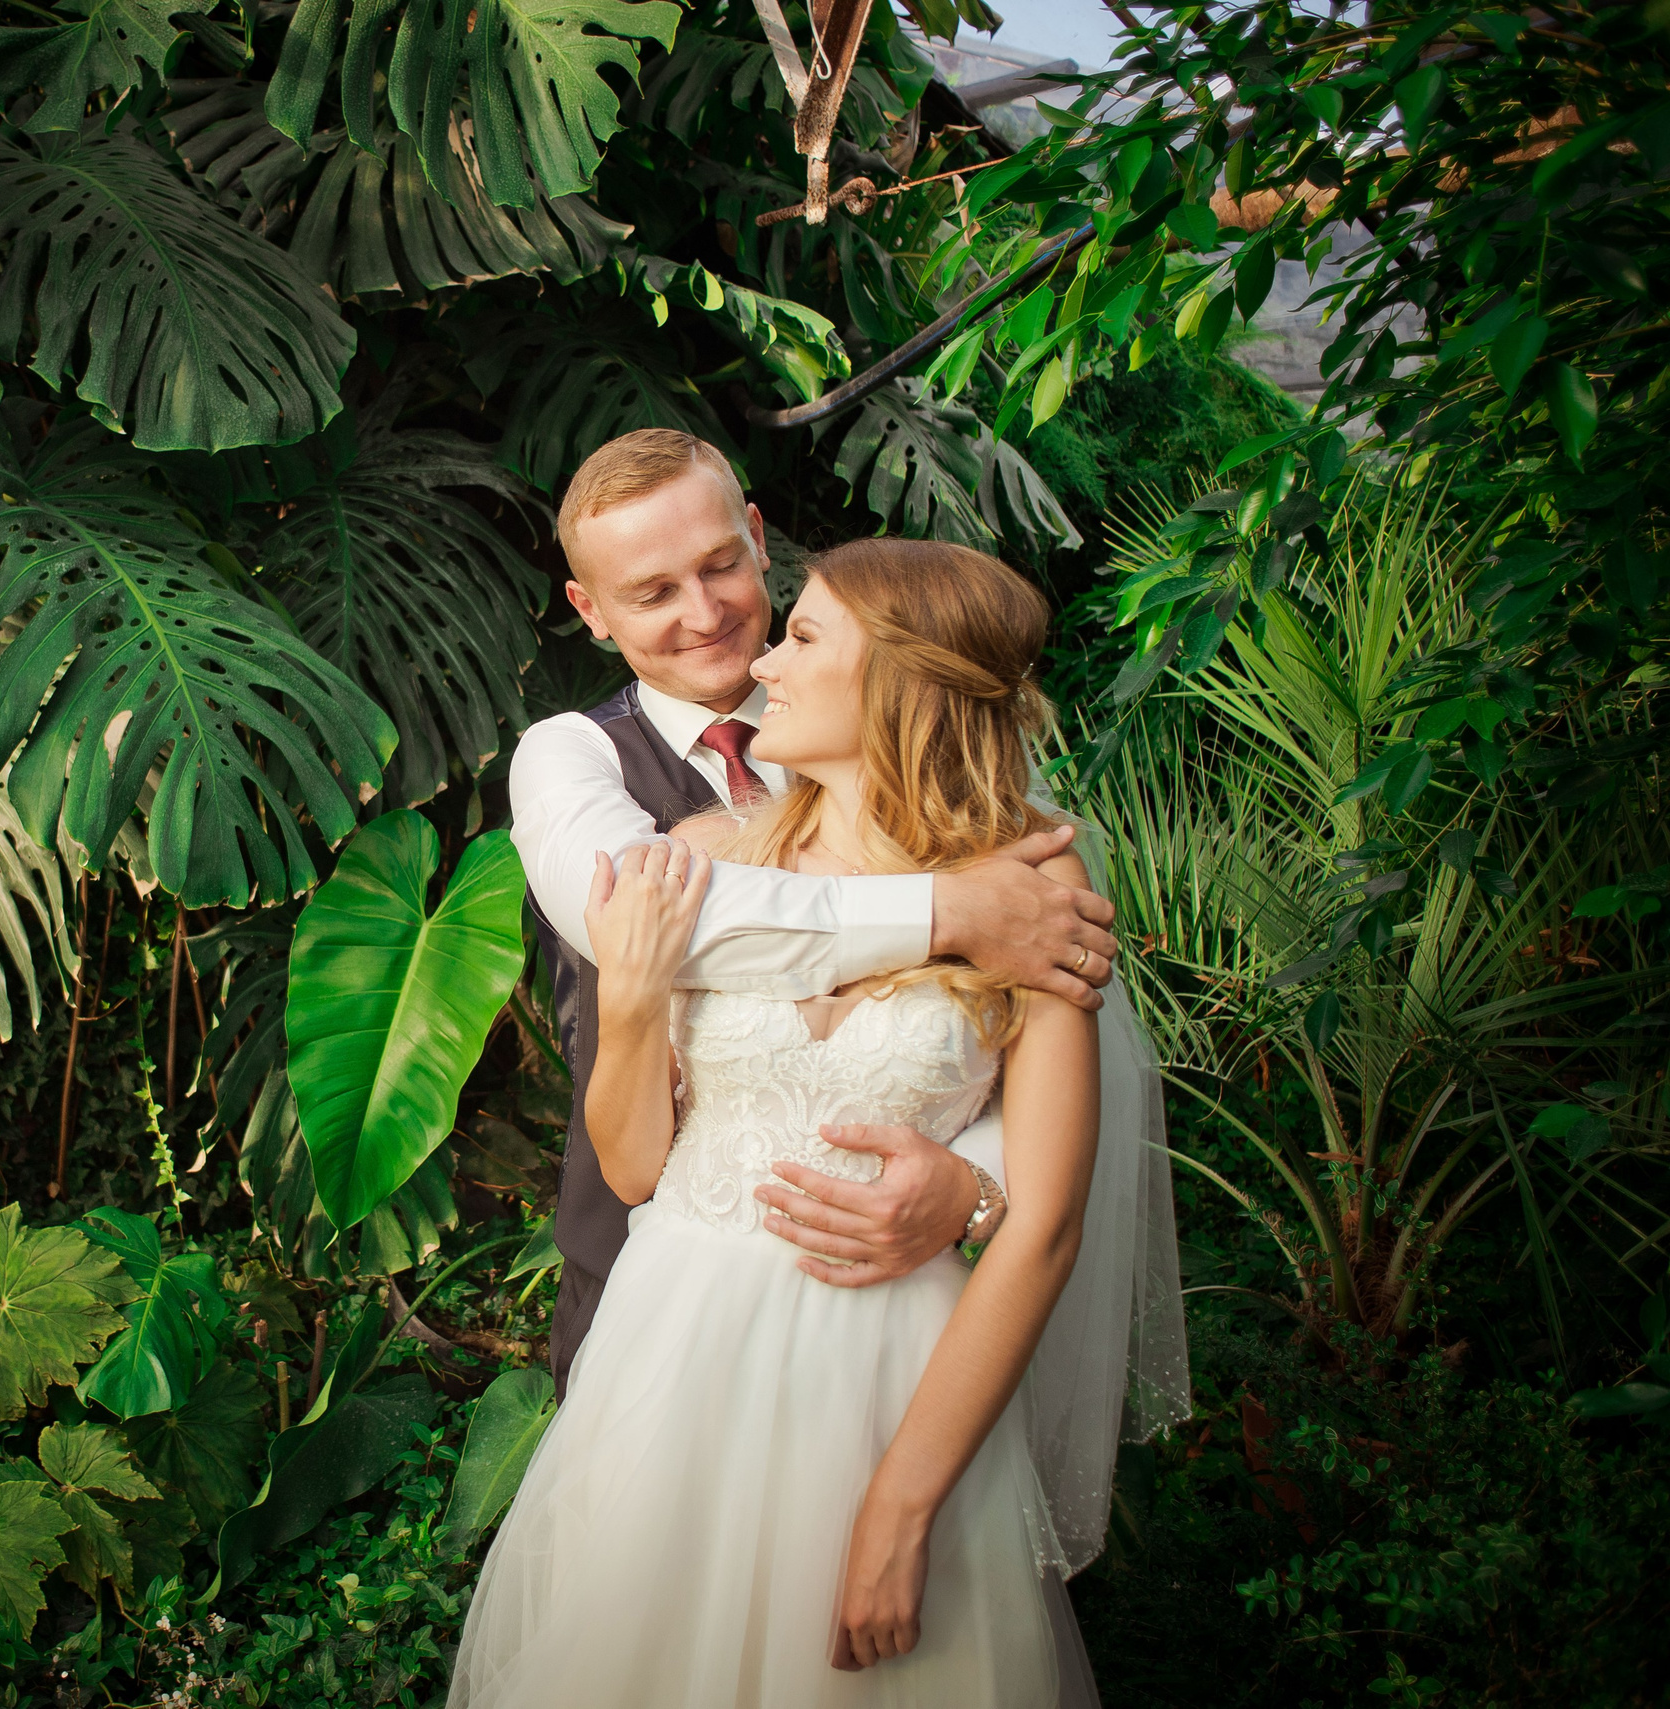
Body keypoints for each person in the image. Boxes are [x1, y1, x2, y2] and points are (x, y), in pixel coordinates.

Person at [449, 537, 1186, 1709]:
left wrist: (902, 1501)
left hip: (891, 1381)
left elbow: (1045, 1225)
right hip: (674, 1364)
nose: (762, 665)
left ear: (898, 678)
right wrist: (632, 1000)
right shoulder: (703, 858)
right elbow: (634, 1168)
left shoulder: (1032, 890)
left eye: (801, 637)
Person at [507, 430, 1120, 1385]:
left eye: (720, 564)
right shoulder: (571, 756)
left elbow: (1033, 1051)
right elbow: (661, 921)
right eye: (654, 592)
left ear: (758, 538)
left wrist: (978, 1181)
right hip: (645, 1293)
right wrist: (952, 911)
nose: (706, 613)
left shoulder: (911, 731)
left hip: (899, 1316)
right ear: (589, 610)